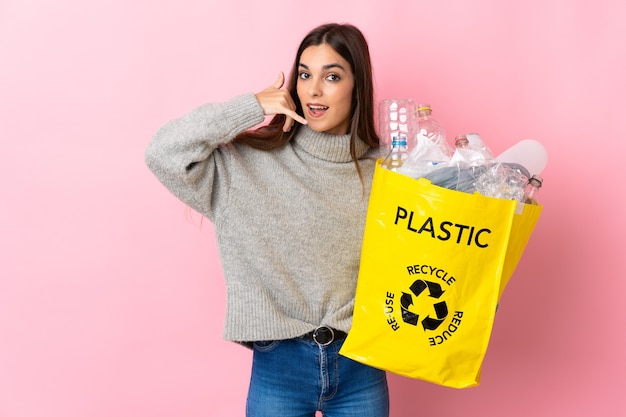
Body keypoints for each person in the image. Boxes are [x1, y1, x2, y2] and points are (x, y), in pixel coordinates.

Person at [145, 23, 389, 417]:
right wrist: (250, 106)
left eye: (332, 76)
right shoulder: (248, 165)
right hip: (280, 367)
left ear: (357, 86)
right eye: (305, 75)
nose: (313, 90)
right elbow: (163, 152)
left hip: (362, 364)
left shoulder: (388, 171)